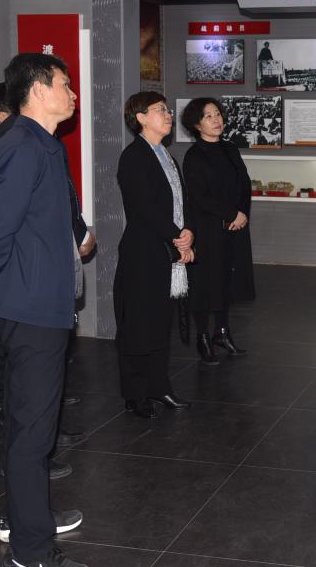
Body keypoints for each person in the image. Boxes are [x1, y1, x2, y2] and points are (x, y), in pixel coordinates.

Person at [0, 53, 84, 567]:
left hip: (42, 302)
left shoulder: (42, 143)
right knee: (32, 433)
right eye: (65, 84)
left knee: (31, 429)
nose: (72, 94)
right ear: (38, 90)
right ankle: (32, 551)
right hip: (31, 306)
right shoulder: (23, 145)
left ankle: (25, 523)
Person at [114, 92, 195, 419]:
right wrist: (178, 237)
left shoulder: (165, 155)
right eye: (160, 109)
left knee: (161, 323)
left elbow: (180, 201)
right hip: (143, 251)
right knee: (138, 324)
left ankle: (159, 386)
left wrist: (188, 232)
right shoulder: (134, 157)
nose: (168, 114)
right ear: (141, 117)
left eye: (167, 109)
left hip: (167, 248)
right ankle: (136, 394)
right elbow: (144, 207)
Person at [180, 98, 255, 364]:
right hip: (208, 229)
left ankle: (221, 333)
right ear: (196, 124)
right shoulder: (194, 156)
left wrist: (241, 212)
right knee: (205, 282)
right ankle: (202, 336)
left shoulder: (230, 149)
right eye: (208, 116)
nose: (216, 120)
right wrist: (230, 214)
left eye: (218, 114)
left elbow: (244, 184)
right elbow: (199, 195)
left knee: (227, 280)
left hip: (234, 227)